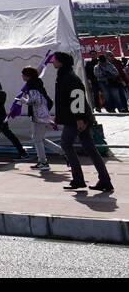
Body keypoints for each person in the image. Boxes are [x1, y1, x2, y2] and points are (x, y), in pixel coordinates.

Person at [52, 51, 113, 192]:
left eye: (54, 60)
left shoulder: (69, 77)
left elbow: (77, 97)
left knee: (66, 144)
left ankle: (79, 179)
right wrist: (59, 115)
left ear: (61, 62)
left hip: (75, 119)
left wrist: (79, 118)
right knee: (90, 148)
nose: (52, 62)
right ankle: (104, 180)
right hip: (75, 117)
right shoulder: (64, 76)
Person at [17, 65, 53, 170]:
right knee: (40, 138)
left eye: (23, 75)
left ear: (27, 76)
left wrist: (24, 100)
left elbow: (35, 100)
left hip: (38, 115)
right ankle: (62, 152)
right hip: (42, 113)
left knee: (37, 139)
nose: (22, 77)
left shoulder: (32, 85)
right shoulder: (37, 83)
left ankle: (43, 162)